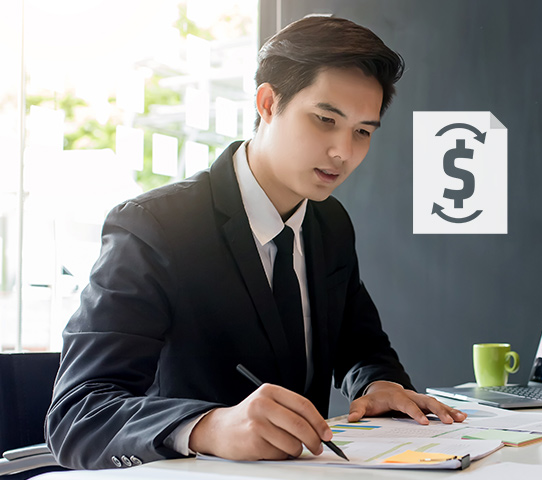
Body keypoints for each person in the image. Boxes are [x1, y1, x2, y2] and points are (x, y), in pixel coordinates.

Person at [45, 15, 465, 470]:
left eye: (363, 131)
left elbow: (358, 342)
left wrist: (377, 384)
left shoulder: (329, 222)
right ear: (268, 102)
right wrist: (210, 425)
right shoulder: (155, 227)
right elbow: (78, 413)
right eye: (326, 120)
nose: (344, 151)